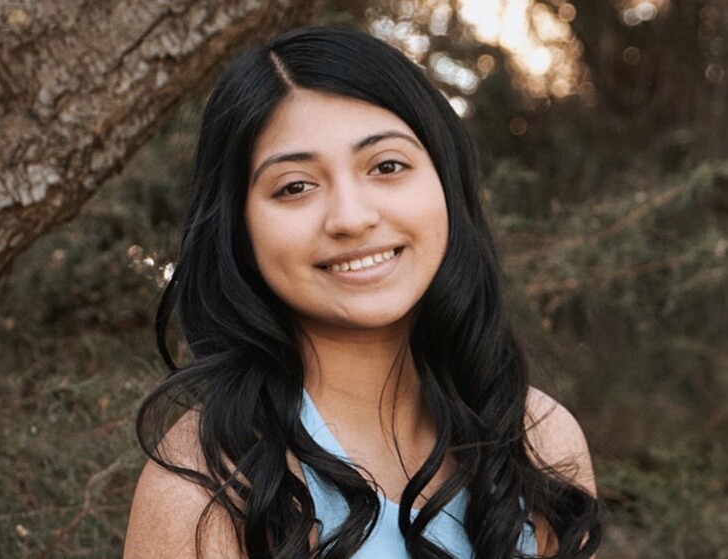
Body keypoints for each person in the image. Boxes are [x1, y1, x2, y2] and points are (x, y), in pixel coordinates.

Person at [124, 25, 603, 559]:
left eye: (387, 166)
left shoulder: (539, 440)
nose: (351, 218)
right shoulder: (206, 487)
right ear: (238, 228)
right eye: (295, 186)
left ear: (446, 180)